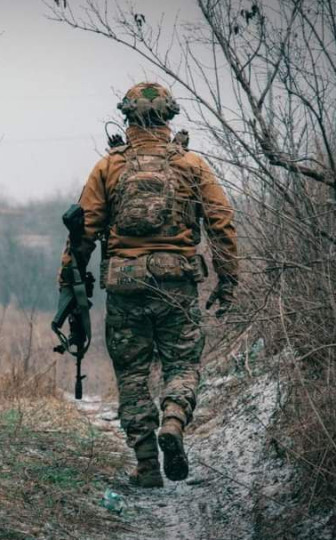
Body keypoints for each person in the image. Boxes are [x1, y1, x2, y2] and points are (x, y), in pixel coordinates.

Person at [57, 82, 238, 487]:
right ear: (169, 118)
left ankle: (146, 466)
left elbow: (83, 231)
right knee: (182, 364)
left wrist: (68, 285)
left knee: (134, 376)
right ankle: (173, 420)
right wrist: (228, 281)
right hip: (177, 284)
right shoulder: (192, 164)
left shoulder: (109, 167)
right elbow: (222, 222)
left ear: (127, 118)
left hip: (125, 287)